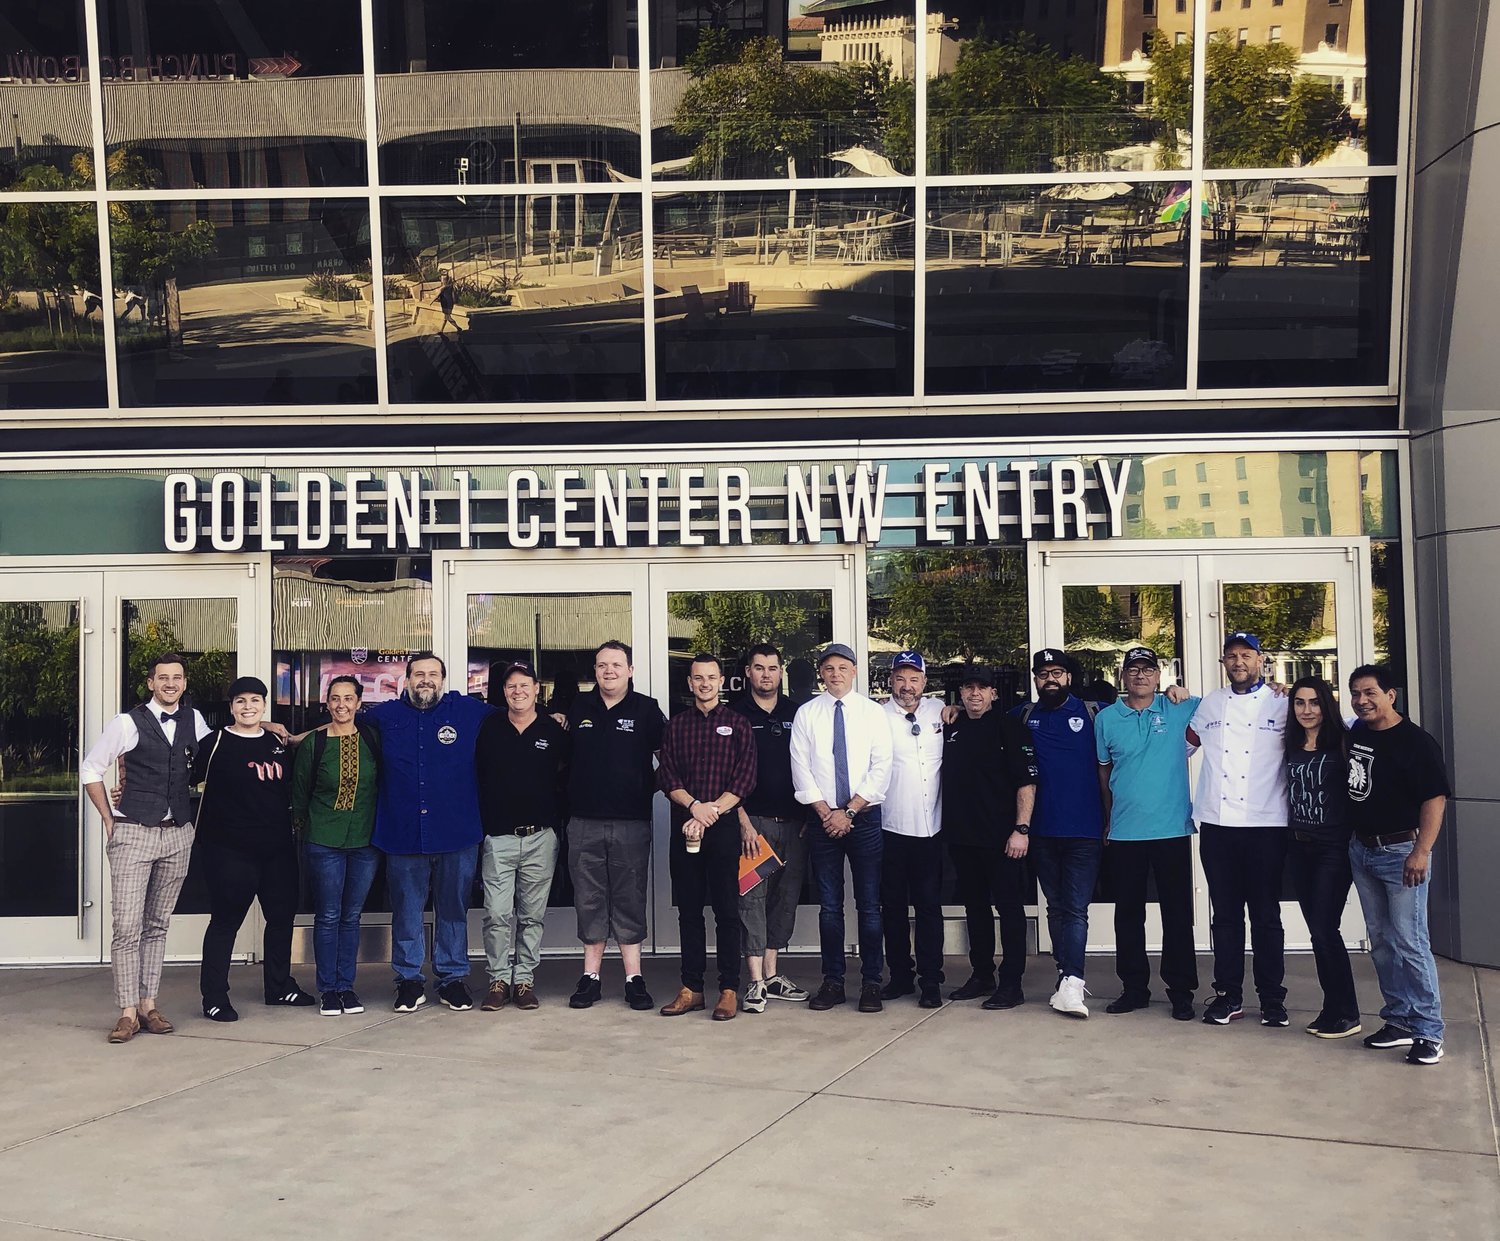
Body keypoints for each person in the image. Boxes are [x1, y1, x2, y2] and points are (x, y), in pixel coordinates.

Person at [82, 654, 213, 1043]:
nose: (171, 683)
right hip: (134, 831)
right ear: (151, 683)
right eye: (163, 678)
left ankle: (148, 1005)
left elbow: (219, 757)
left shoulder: (196, 720)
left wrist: (271, 726)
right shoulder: (127, 722)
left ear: (185, 684)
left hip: (177, 834)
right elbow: (91, 768)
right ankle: (126, 1013)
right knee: (126, 926)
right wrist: (108, 817)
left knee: (157, 924)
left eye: (177, 678)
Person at [369, 652, 495, 1014]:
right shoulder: (384, 716)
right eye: (419, 674)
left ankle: (452, 979)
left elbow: (518, 718)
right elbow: (339, 724)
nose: (426, 680)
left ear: (444, 679)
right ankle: (408, 980)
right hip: (403, 832)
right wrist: (281, 730)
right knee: (406, 911)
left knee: (452, 909)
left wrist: (557, 717)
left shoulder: (469, 711)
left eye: (433, 674)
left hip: (456, 831)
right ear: (406, 679)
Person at [1344, 664, 1451, 1066]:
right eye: (1356, 693)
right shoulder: (1357, 732)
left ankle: (1429, 1031)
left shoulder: (1416, 742)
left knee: (1410, 942)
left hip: (1401, 854)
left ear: (1391, 695)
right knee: (1383, 942)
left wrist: (1421, 851)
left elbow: (1434, 799)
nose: (1361, 700)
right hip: (1363, 851)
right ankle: (1400, 1019)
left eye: (1370, 692)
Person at [193, 676, 314, 1021]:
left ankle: (279, 987)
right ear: (231, 707)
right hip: (229, 850)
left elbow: (309, 742)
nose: (248, 707)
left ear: (264, 705)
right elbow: (177, 776)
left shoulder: (276, 741)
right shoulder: (214, 743)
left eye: (255, 700)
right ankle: (214, 996)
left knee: (280, 919)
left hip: (277, 850)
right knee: (225, 922)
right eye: (241, 701)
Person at [1187, 632, 1291, 1027]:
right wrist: (1173, 697)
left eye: (1246, 655)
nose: (1238, 662)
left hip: (1266, 823)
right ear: (1224, 663)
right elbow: (1183, 745)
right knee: (1225, 916)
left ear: (1261, 660)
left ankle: (1272, 1000)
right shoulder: (1210, 704)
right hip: (1217, 823)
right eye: (1231, 656)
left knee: (1266, 915)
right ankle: (1227, 995)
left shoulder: (1284, 702)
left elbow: (1327, 724)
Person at [1095, 647, 1201, 1022]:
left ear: (1159, 676)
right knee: (1128, 915)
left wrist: (1185, 692)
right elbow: (1104, 774)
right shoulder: (1107, 719)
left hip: (1172, 829)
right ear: (1122, 676)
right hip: (1125, 833)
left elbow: (1228, 711)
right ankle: (1134, 988)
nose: (1140, 675)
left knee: (1177, 914)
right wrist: (1108, 820)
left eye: (1148, 669)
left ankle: (1182, 990)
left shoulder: (1179, 707)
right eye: (1133, 669)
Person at [790, 642, 892, 1013]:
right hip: (822, 821)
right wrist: (826, 813)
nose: (835, 674)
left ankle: (871, 983)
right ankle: (832, 981)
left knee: (869, 905)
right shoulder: (807, 714)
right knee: (830, 907)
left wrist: (847, 813)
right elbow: (800, 769)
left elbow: (882, 767)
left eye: (842, 668)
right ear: (821, 673)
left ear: (854, 671)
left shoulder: (873, 713)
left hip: (863, 819)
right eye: (829, 668)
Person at [565, 640, 666, 1012]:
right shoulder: (578, 708)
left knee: (629, 897)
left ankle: (633, 978)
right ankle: (590, 977)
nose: (609, 671)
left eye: (617, 665)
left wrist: (643, 788)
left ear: (631, 670)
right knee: (589, 899)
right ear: (595, 671)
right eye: (602, 665)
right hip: (583, 822)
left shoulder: (648, 710)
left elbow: (666, 761)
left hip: (631, 823)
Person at [657, 654, 758, 1021]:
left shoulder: (738, 724)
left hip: (723, 828)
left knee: (727, 911)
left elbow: (744, 781)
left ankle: (729, 989)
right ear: (690, 683)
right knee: (689, 911)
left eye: (711, 677)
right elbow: (667, 777)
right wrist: (695, 807)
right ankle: (692, 988)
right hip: (686, 828)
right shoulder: (676, 726)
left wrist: (709, 811)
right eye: (698, 678)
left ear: (721, 681)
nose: (704, 684)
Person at [1010, 648, 1105, 1019]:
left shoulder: (1094, 713)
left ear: (1069, 677)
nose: (1050, 679)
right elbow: (980, 717)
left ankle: (1074, 980)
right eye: (1043, 673)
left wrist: (1177, 692)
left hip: (1085, 829)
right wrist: (946, 711)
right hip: (1041, 831)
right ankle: (1065, 978)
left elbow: (1141, 705)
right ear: (1035, 679)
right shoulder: (1023, 715)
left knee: (1076, 909)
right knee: (1056, 907)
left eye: (1057, 673)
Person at [941, 666, 1038, 1010]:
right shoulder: (951, 727)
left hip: (1003, 839)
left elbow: (1026, 782)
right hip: (963, 838)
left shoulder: (1009, 727)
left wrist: (1021, 829)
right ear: (961, 694)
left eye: (982, 688)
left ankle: (1012, 983)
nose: (975, 694)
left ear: (993, 693)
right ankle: (982, 974)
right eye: (968, 688)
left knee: (1009, 909)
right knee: (975, 908)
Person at [474, 661, 569, 1012]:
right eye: (512, 686)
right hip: (498, 838)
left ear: (536, 689)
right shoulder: (488, 728)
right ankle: (499, 979)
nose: (518, 692)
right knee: (497, 914)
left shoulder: (554, 730)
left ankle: (524, 979)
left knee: (532, 916)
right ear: (504, 692)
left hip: (540, 838)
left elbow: (569, 775)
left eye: (524, 685)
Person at [290, 674, 381, 1018]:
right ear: (327, 703)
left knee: (351, 916)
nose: (342, 705)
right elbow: (299, 793)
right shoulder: (314, 743)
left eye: (348, 698)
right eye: (335, 698)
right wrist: (302, 831)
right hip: (323, 839)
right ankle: (328, 989)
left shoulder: (373, 738)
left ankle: (347, 986)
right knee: (328, 916)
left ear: (359, 703)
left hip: (365, 839)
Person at [729, 644, 811, 1012]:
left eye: (772, 668)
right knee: (752, 902)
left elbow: (814, 764)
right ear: (748, 672)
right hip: (753, 825)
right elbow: (725, 773)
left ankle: (773, 975)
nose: (766, 674)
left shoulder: (799, 713)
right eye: (759, 668)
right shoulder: (733, 714)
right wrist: (742, 819)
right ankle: (755, 981)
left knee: (785, 901)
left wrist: (812, 815)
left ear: (781, 673)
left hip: (795, 824)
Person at [1284, 675, 1361, 1039]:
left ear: (1326, 705)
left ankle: (1346, 1012)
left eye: (1314, 702)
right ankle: (1332, 1009)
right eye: (1299, 702)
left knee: (1324, 928)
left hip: (1333, 848)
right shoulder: (1290, 742)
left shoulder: (1344, 743)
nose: (1307, 710)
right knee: (1319, 932)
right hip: (1299, 848)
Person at [879, 650, 947, 1008]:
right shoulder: (876, 717)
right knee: (892, 907)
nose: (907, 686)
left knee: (929, 908)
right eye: (900, 679)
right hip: (890, 826)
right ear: (891, 681)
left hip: (931, 829)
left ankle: (931, 979)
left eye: (914, 678)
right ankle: (900, 975)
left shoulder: (939, 711)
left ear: (924, 681)